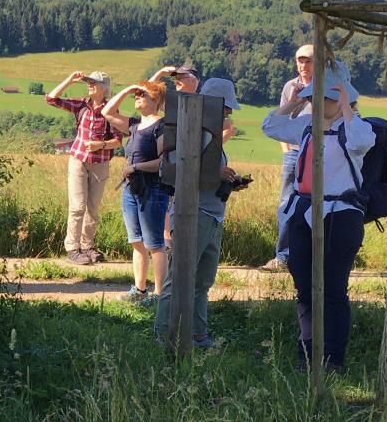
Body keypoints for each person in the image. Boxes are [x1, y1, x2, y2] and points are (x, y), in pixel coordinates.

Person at [262, 66, 374, 373]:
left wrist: (346, 107)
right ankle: (307, 356)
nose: (317, 103)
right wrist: (294, 102)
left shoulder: (354, 128)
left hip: (341, 214)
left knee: (333, 290)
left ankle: (333, 360)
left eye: (324, 98)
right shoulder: (305, 126)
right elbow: (270, 126)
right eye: (314, 98)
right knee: (305, 288)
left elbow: (363, 142)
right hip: (303, 212)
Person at [154, 77, 244, 348]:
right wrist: (217, 173)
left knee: (202, 281)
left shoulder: (210, 133)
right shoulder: (192, 129)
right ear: (213, 105)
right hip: (195, 213)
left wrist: (228, 180)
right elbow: (180, 165)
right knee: (179, 277)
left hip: (213, 214)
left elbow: (206, 171)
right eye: (225, 108)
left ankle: (197, 334)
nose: (228, 114)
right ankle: (164, 334)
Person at [104, 81, 170, 305]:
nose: (138, 96)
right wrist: (127, 89)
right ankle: (140, 290)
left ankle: (160, 296)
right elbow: (107, 112)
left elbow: (163, 162)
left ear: (156, 100)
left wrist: (136, 167)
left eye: (143, 94)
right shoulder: (134, 125)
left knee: (155, 244)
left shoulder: (161, 126)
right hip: (131, 188)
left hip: (153, 189)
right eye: (137, 94)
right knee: (137, 241)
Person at [46, 70, 120, 265]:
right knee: (78, 207)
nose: (90, 85)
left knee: (93, 208)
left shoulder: (111, 110)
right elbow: (51, 99)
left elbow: (118, 140)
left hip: (100, 163)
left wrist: (100, 145)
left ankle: (88, 247)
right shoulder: (81, 105)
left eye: (94, 83)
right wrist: (70, 79)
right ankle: (73, 248)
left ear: (104, 88)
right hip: (78, 159)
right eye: (88, 82)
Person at [259, 44, 316, 273]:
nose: (304, 65)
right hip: (294, 152)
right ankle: (283, 256)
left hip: (318, 152)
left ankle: (311, 256)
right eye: (300, 61)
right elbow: (282, 119)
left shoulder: (326, 87)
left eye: (308, 60)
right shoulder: (290, 87)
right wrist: (286, 150)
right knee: (286, 203)